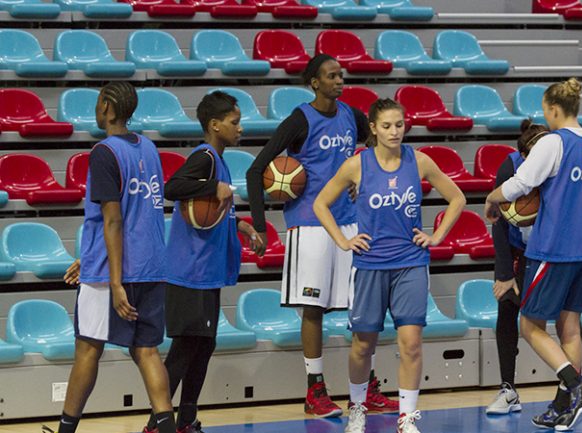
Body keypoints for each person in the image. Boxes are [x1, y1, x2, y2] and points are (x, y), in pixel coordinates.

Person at [245, 54, 398, 417]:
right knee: (313, 309)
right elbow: (256, 170)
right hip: (310, 223)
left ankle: (367, 388)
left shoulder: (352, 116)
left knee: (364, 309)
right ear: (314, 82)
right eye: (331, 76)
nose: (339, 80)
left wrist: (365, 179)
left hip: (349, 224)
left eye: (341, 75)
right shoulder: (300, 119)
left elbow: (376, 145)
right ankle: (315, 391)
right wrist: (261, 224)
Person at [313, 98, 465, 433]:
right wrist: (343, 240)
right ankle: (357, 408)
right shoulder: (357, 165)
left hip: (410, 262)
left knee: (411, 343)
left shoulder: (419, 160)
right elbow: (321, 203)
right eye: (386, 126)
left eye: (399, 125)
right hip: (370, 264)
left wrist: (436, 235)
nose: (394, 132)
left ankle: (407, 417)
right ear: (373, 128)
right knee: (363, 345)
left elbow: (457, 198)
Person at [43, 82, 177, 433]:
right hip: (151, 267)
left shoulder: (104, 152)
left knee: (88, 349)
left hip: (111, 275)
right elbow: (138, 216)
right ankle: (166, 427)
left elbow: (114, 219)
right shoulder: (148, 147)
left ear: (106, 106)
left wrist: (114, 281)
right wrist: (88, 257)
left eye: (98, 101)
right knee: (147, 352)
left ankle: (65, 430)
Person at [484, 78, 582, 431]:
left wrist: (492, 198)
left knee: (529, 324)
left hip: (554, 250)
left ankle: (576, 384)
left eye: (544, 109)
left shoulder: (553, 143)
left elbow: (520, 185)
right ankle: (563, 406)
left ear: (553, 109)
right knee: (569, 327)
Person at [142, 91, 259, 433]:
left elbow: (209, 211)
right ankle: (156, 423)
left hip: (205, 273)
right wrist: (214, 186)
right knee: (185, 348)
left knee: (204, 346)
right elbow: (173, 187)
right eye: (234, 123)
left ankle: (187, 418)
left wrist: (240, 224)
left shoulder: (218, 160)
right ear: (214, 125)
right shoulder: (206, 158)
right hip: (189, 272)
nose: (240, 128)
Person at [486, 120, 549, 415]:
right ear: (524, 155)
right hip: (516, 249)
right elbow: (497, 223)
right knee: (507, 307)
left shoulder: (556, 167)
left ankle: (573, 388)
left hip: (549, 249)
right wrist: (504, 272)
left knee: (563, 317)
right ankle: (507, 388)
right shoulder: (510, 167)